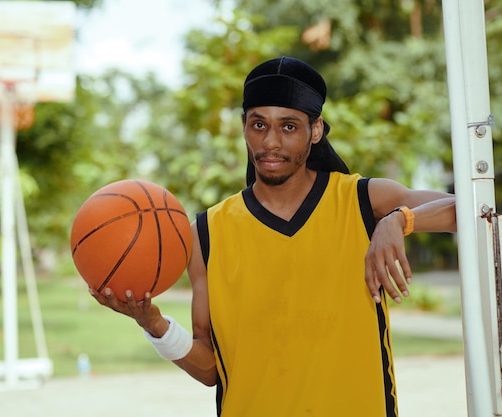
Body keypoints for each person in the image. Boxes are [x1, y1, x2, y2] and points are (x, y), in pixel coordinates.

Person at [90, 56, 457, 417]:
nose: (271, 143)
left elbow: (468, 209)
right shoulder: (206, 234)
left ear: (315, 130)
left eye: (289, 127)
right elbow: (210, 370)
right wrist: (154, 325)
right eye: (259, 125)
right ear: (244, 126)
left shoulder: (363, 201)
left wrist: (398, 221)